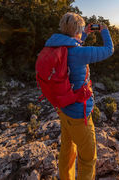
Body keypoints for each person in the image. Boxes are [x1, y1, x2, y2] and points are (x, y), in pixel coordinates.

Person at [45, 12, 114, 180]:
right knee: (88, 158)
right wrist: (104, 30)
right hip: (78, 115)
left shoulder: (56, 46)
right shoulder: (79, 53)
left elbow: (73, 44)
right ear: (77, 29)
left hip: (63, 109)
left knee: (67, 150)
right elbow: (108, 50)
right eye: (81, 28)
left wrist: (84, 35)